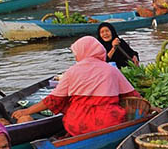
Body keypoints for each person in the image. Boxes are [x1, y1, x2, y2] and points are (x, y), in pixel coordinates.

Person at [12, 37, 145, 136]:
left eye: (76, 54)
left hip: (76, 123)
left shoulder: (71, 71)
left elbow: (53, 100)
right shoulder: (111, 70)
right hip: (107, 122)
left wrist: (26, 112)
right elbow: (133, 95)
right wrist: (152, 109)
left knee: (68, 102)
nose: (76, 57)